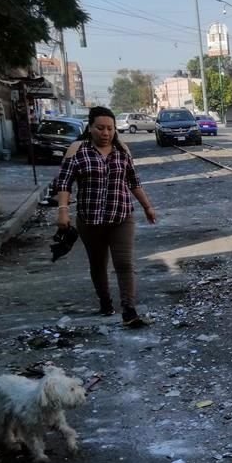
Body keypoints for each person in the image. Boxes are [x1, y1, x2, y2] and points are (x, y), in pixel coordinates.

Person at [55, 106, 157, 327]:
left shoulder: (122, 151)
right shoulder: (77, 150)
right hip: (90, 220)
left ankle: (129, 310)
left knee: (124, 263)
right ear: (90, 128)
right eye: (100, 128)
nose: (106, 133)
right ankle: (105, 302)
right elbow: (64, 182)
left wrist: (148, 207)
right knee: (98, 264)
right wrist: (63, 210)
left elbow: (133, 182)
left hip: (121, 216)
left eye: (110, 128)